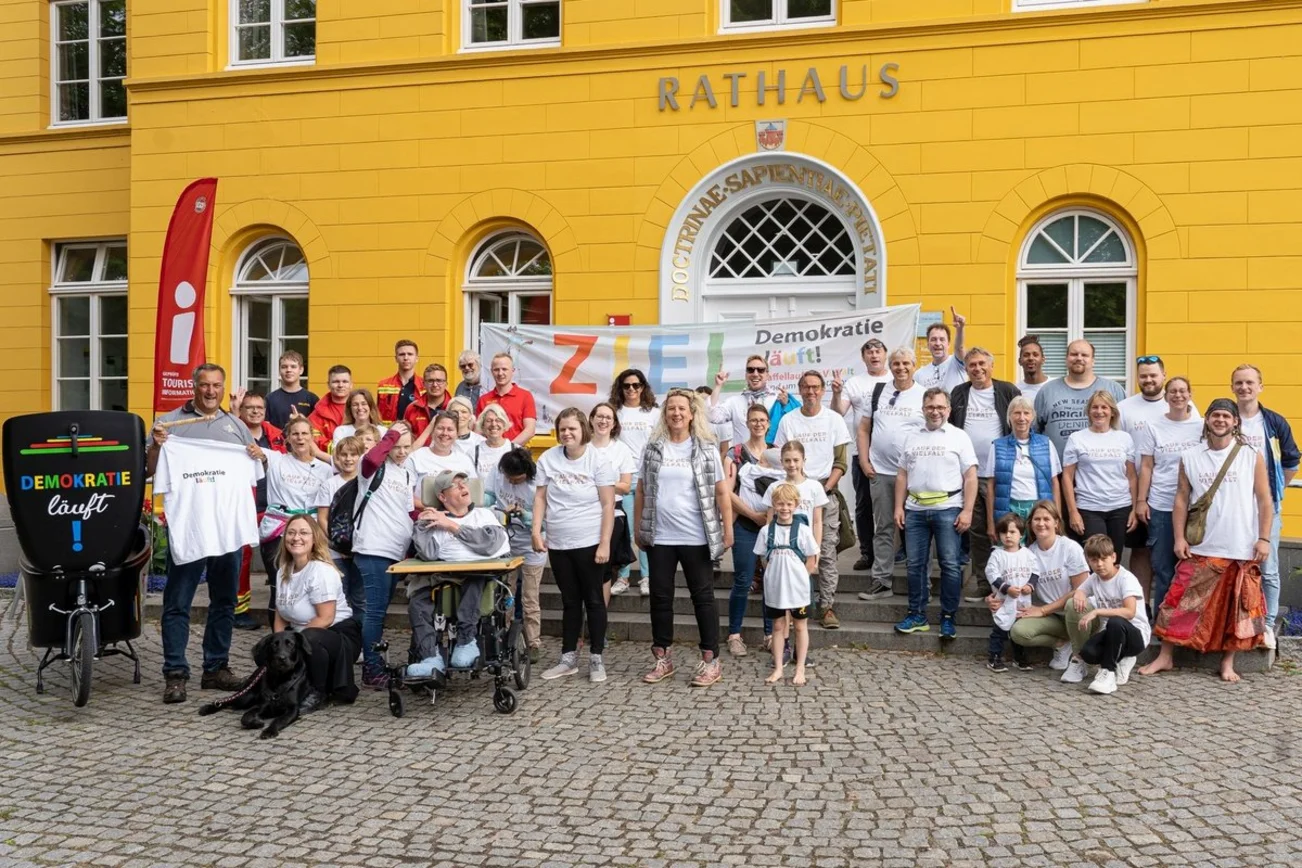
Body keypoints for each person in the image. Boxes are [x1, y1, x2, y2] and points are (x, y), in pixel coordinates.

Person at [148, 364, 260, 703]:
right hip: (191, 528)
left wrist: (259, 456)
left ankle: (215, 668)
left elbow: (256, 471)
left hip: (226, 530)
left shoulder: (236, 426)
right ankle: (176, 673)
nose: (210, 391)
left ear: (223, 388)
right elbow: (151, 469)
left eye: (216, 385)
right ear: (194, 387)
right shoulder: (169, 424)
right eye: (204, 385)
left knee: (224, 601)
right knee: (177, 602)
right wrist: (156, 445)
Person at [1140, 398, 1273, 683]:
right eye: (1215, 415)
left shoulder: (1251, 455)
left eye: (1226, 416)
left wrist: (1263, 538)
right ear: (1207, 420)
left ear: (1236, 421)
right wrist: (1178, 537)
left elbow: (1264, 500)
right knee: (1177, 601)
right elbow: (1181, 498)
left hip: (1241, 544)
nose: (1221, 420)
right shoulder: (1191, 456)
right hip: (1201, 544)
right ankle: (1165, 656)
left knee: (1235, 609)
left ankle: (1227, 663)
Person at [636, 389, 733, 688]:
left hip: (696, 536)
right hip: (660, 536)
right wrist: (639, 527)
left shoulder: (706, 448)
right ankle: (663, 658)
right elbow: (641, 490)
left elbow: (720, 492)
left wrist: (727, 529)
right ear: (664, 415)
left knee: (702, 598)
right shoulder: (653, 448)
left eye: (682, 409)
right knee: (660, 598)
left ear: (692, 414)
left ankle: (710, 661)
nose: (676, 413)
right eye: (671, 409)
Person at [533, 408, 616, 683]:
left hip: (589, 541)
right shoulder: (548, 458)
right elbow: (541, 499)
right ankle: (568, 657)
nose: (567, 433)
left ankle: (596, 657)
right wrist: (537, 531)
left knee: (594, 600)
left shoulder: (598, 460)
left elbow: (608, 504)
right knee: (570, 602)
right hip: (559, 543)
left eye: (572, 429)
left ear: (584, 430)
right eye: (562, 429)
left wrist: (604, 543)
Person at [893, 387, 978, 639]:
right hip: (915, 510)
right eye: (930, 407)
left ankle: (948, 618)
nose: (935, 412)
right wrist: (899, 506)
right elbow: (902, 474)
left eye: (940, 407)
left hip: (948, 509)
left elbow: (970, 476)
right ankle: (916, 615)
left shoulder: (959, 437)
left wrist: (968, 510)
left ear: (949, 410)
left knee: (950, 566)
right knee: (915, 565)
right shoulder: (911, 437)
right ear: (923, 409)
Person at [408, 470, 511, 675]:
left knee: (474, 581)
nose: (464, 486)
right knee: (417, 599)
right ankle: (430, 657)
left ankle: (466, 641)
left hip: (478, 576)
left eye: (463, 482)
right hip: (442, 577)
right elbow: (429, 554)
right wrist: (422, 523)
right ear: (442, 497)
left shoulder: (484, 514)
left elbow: (490, 545)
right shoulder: (434, 521)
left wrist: (453, 527)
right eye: (455, 485)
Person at [775, 370, 851, 629]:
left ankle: (827, 606)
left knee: (826, 551)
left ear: (823, 390)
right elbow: (781, 456)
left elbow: (841, 462)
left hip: (824, 493)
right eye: (806, 387)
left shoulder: (834, 420)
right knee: (791, 551)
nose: (811, 392)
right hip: (793, 494)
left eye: (816, 387)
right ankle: (793, 605)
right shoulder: (788, 420)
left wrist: (824, 489)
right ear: (799, 389)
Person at [1231, 363, 1298, 649]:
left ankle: (1267, 626)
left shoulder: (1273, 422)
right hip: (1232, 505)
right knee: (1234, 563)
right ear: (1232, 387)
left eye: (1249, 383)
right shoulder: (1226, 418)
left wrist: (1273, 491)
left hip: (1266, 507)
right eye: (1239, 383)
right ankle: (1237, 622)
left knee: (1267, 567)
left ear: (1260, 386)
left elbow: (1292, 460)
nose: (1244, 388)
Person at [949, 347, 1021, 599]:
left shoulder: (1007, 391)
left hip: (1000, 474)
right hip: (968, 473)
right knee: (978, 532)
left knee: (1007, 528)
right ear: (966, 369)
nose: (977, 369)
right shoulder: (959, 393)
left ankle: (1012, 583)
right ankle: (983, 583)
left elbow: (1020, 424)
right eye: (972, 365)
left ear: (991, 366)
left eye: (982, 364)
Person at [857, 348, 927, 600]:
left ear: (914, 365)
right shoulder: (878, 392)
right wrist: (864, 461)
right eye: (896, 363)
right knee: (884, 527)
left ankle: (920, 585)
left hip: (915, 475)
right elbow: (863, 429)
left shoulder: (924, 395)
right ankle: (881, 581)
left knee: (917, 529)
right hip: (882, 472)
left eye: (906, 363)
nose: (900, 368)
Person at [353, 423, 418, 689]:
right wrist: (390, 435)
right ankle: (372, 669)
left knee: (380, 611)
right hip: (373, 547)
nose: (401, 452)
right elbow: (370, 458)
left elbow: (408, 511)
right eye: (396, 447)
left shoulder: (406, 474)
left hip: (395, 550)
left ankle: (375, 664)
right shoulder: (372, 467)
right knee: (375, 611)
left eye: (406, 447)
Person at [273, 515, 362, 710]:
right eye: (292, 532)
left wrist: (293, 643)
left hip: (337, 635)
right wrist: (278, 642)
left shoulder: (320, 571)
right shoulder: (282, 571)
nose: (297, 538)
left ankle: (317, 692)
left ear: (314, 539)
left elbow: (326, 618)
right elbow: (280, 612)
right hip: (300, 634)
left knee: (310, 637)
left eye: (304, 533)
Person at [258, 415, 335, 624]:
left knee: (309, 587)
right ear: (288, 439)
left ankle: (307, 638)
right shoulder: (276, 460)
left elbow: (352, 464)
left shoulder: (326, 470)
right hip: (279, 531)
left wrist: (320, 454)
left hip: (310, 533)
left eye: (304, 434)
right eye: (295, 434)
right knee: (280, 589)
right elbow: (249, 443)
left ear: (312, 437)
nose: (300, 438)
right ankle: (278, 642)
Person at [1135, 377, 1202, 612]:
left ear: (1190, 394)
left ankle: (1187, 620)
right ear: (1166, 396)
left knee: (1192, 568)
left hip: (1195, 507)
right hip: (1161, 504)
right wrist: (1141, 501)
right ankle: (1162, 622)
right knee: (1163, 566)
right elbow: (1146, 466)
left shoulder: (1201, 426)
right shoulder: (1153, 427)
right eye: (1172, 391)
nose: (1178, 395)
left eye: (1183, 391)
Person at [1008, 500, 1090, 671]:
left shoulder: (1070, 547)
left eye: (1046, 519)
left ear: (1056, 523)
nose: (1041, 523)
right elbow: (1016, 585)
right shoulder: (1028, 554)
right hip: (1054, 617)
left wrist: (1044, 610)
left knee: (1072, 602)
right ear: (1030, 524)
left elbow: (1082, 590)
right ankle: (1061, 644)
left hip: (1079, 613)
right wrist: (995, 599)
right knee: (1019, 632)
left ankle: (1079, 657)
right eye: (1037, 519)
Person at [484, 447, 546, 664]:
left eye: (518, 479)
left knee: (529, 596)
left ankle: (533, 642)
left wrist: (528, 517)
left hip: (532, 543)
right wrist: (502, 513)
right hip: (506, 541)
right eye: (510, 479)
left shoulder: (538, 481)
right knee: (505, 593)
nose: (513, 483)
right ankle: (506, 636)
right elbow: (485, 501)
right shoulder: (497, 473)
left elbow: (548, 516)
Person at [833, 337, 891, 572]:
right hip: (862, 453)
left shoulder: (896, 379)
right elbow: (839, 412)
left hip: (892, 455)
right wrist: (837, 393)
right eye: (870, 352)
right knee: (864, 504)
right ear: (863, 357)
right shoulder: (855, 383)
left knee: (898, 503)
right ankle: (867, 552)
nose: (874, 355)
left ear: (885, 354)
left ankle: (900, 551)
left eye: (878, 351)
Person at [1068, 535, 1151, 695]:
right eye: (1093, 560)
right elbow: (1081, 590)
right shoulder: (1094, 578)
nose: (1099, 564)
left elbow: (1129, 611)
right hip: (1111, 634)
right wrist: (1079, 593)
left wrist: (1097, 611)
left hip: (1135, 635)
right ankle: (1123, 659)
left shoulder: (1126, 579)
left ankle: (1108, 672)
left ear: (1113, 557)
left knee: (1115, 621)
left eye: (1103, 559)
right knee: (1088, 653)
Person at [725, 405, 777, 655]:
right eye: (754, 420)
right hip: (745, 525)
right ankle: (734, 634)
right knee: (743, 580)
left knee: (770, 580)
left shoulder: (777, 452)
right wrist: (753, 515)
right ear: (747, 423)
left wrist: (767, 517)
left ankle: (770, 634)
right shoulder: (735, 453)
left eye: (762, 420)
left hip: (773, 527)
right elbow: (726, 491)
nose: (758, 424)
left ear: (768, 424)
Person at [1061, 390, 1136, 556]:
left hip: (1121, 507)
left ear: (1112, 412)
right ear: (1088, 411)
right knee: (1097, 557)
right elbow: (1067, 477)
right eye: (1095, 407)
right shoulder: (1077, 438)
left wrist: (1135, 509)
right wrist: (1073, 512)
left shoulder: (1124, 438)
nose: (1099, 411)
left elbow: (1131, 476)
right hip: (1089, 508)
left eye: (1104, 407)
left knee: (1114, 557)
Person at [758, 483, 819, 686]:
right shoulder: (767, 531)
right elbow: (763, 558)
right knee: (777, 625)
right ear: (774, 505)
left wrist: (803, 576)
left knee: (800, 626)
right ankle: (778, 667)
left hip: (798, 588)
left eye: (788, 504)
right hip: (775, 588)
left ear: (796, 505)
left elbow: (811, 558)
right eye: (780, 504)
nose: (784, 508)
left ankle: (800, 666)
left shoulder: (802, 530)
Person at [982, 395, 1061, 551]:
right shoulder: (997, 446)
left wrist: (1057, 518)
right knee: (1011, 556)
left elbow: (1054, 483)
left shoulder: (1046, 443)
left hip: (1039, 511)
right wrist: (991, 523)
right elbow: (991, 487)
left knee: (1041, 553)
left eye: (1026, 413)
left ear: (1033, 417)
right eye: (1017, 413)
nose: (1022, 418)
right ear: (1009, 417)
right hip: (1009, 510)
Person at [234, 391, 284, 630]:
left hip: (272, 507)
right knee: (241, 560)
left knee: (276, 562)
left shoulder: (276, 435)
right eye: (249, 407)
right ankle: (239, 610)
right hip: (242, 505)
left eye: (259, 407)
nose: (255, 411)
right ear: (241, 411)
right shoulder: (233, 434)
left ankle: (279, 611)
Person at [1034, 339, 1126, 461]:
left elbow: (1124, 428)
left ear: (1093, 361)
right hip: (1056, 471)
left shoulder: (1113, 389)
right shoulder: (1047, 391)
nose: (1079, 358)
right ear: (1066, 359)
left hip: (1102, 472)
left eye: (1084, 355)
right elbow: (1035, 432)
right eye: (1074, 354)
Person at [612, 368, 660, 594]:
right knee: (623, 530)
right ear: (620, 388)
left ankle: (646, 576)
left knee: (643, 529)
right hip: (622, 478)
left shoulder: (653, 413)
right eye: (626, 385)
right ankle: (622, 577)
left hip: (646, 478)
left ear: (643, 387)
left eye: (636, 385)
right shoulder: (615, 412)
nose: (631, 389)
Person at [315, 434, 367, 618]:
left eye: (353, 454)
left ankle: (361, 640)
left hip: (361, 549)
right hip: (336, 551)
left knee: (361, 598)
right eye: (344, 455)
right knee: (340, 596)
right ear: (336, 457)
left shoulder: (366, 484)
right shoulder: (330, 484)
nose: (348, 459)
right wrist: (336, 544)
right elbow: (322, 518)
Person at [589, 402, 636, 600]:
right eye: (599, 416)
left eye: (608, 418)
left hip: (613, 513)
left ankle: (599, 622)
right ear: (591, 419)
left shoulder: (621, 450)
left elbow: (626, 486)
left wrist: (601, 483)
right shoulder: (582, 447)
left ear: (614, 424)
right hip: (584, 512)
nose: (603, 421)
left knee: (604, 570)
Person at [985, 513, 1037, 673]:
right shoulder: (997, 554)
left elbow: (1035, 572)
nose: (1008, 536)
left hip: (1022, 602)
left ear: (1021, 534)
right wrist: (1006, 588)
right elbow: (992, 574)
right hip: (1004, 602)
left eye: (1012, 532)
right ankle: (994, 657)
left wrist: (1030, 586)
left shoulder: (1027, 554)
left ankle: (1020, 658)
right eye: (1004, 532)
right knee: (1000, 630)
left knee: (1018, 631)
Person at [708, 354, 788, 447]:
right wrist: (718, 386)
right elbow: (712, 416)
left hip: (770, 458)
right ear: (746, 375)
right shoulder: (735, 402)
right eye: (750, 370)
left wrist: (785, 406)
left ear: (767, 375)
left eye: (760, 370)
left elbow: (789, 428)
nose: (755, 374)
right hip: (742, 459)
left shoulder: (777, 400)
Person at [409, 412, 477, 509]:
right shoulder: (416, 457)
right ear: (433, 431)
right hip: (424, 514)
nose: (445, 433)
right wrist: (432, 510)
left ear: (457, 434)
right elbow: (406, 494)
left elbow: (473, 494)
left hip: (458, 516)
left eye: (450, 429)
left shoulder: (464, 460)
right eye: (440, 428)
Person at [476, 352, 537, 446]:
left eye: (504, 369)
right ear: (492, 371)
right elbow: (479, 432)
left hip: (515, 454)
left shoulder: (525, 396)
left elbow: (530, 430)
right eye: (496, 369)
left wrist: (509, 449)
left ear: (513, 371)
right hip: (490, 453)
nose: (500, 373)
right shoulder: (483, 400)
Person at [915, 308, 967, 392]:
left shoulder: (957, 363)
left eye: (942, 339)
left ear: (948, 344)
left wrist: (960, 328)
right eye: (933, 339)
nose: (938, 343)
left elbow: (959, 348)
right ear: (928, 344)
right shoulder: (919, 375)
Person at [265, 350, 318, 429]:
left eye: (293, 367)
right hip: (277, 441)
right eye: (284, 367)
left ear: (301, 370)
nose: (288, 370)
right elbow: (265, 427)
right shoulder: (270, 399)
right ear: (279, 370)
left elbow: (318, 429)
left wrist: (302, 422)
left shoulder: (312, 399)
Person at [308, 364, 353, 451]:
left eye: (345, 381)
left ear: (351, 384)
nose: (340, 385)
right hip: (327, 462)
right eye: (336, 382)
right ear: (328, 385)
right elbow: (314, 439)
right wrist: (340, 450)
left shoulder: (362, 408)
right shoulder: (318, 412)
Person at [376, 339, 422, 424]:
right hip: (389, 433)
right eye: (402, 354)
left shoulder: (424, 386)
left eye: (410, 354)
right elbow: (377, 413)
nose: (406, 358)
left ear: (417, 358)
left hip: (416, 434)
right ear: (396, 358)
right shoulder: (384, 385)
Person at [403, 363, 452, 439]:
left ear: (446, 384)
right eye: (430, 381)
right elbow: (405, 438)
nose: (435, 385)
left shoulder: (454, 408)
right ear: (424, 384)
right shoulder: (412, 408)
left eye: (439, 381)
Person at [470, 404, 515, 480]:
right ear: (482, 425)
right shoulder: (473, 453)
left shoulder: (515, 450)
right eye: (489, 421)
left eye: (498, 420)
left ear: (504, 424)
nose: (494, 424)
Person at [1015, 335, 1049, 404]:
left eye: (1035, 355)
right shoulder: (1015, 391)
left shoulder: (1055, 386)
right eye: (1026, 355)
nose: (1031, 358)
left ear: (1043, 360)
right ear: (1020, 361)